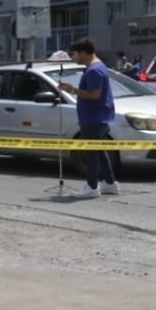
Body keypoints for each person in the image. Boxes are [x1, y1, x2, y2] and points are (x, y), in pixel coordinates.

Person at [57, 38, 118, 199]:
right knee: (99, 150)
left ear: (83, 53)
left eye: (75, 54)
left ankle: (92, 186)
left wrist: (72, 89)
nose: (73, 57)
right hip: (98, 116)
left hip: (93, 117)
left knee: (91, 152)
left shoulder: (94, 70)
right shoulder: (98, 66)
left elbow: (94, 94)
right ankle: (110, 183)